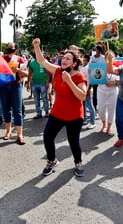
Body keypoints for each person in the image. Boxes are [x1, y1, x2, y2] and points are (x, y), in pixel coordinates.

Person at [32, 38, 87, 177]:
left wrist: (69, 81)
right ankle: (51, 161)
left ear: (74, 63)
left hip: (74, 115)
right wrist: (36, 46)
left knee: (73, 142)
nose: (64, 59)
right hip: (57, 112)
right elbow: (42, 62)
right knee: (47, 137)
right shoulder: (57, 71)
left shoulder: (79, 76)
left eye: (68, 58)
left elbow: (82, 96)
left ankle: (78, 162)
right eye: (64, 57)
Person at [0, 42, 28, 145]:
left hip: (16, 86)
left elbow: (26, 74)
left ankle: (20, 134)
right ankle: (8, 131)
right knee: (6, 109)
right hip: (3, 86)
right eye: (8, 46)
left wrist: (18, 70)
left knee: (17, 110)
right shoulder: (1, 58)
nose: (9, 48)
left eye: (12, 47)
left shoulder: (19, 59)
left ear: (16, 49)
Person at [96, 52, 119, 135]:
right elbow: (94, 79)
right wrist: (91, 73)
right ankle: (104, 124)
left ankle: (109, 127)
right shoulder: (99, 68)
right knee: (101, 110)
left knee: (111, 110)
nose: (109, 59)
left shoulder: (117, 69)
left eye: (111, 58)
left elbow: (120, 82)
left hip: (112, 92)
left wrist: (113, 83)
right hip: (101, 92)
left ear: (114, 59)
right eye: (108, 58)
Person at [27, 51, 51, 119]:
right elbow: (30, 74)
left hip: (43, 83)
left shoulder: (44, 62)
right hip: (34, 83)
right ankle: (39, 113)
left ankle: (47, 112)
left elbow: (48, 73)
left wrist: (47, 82)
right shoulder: (31, 63)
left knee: (44, 98)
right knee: (36, 99)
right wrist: (28, 83)